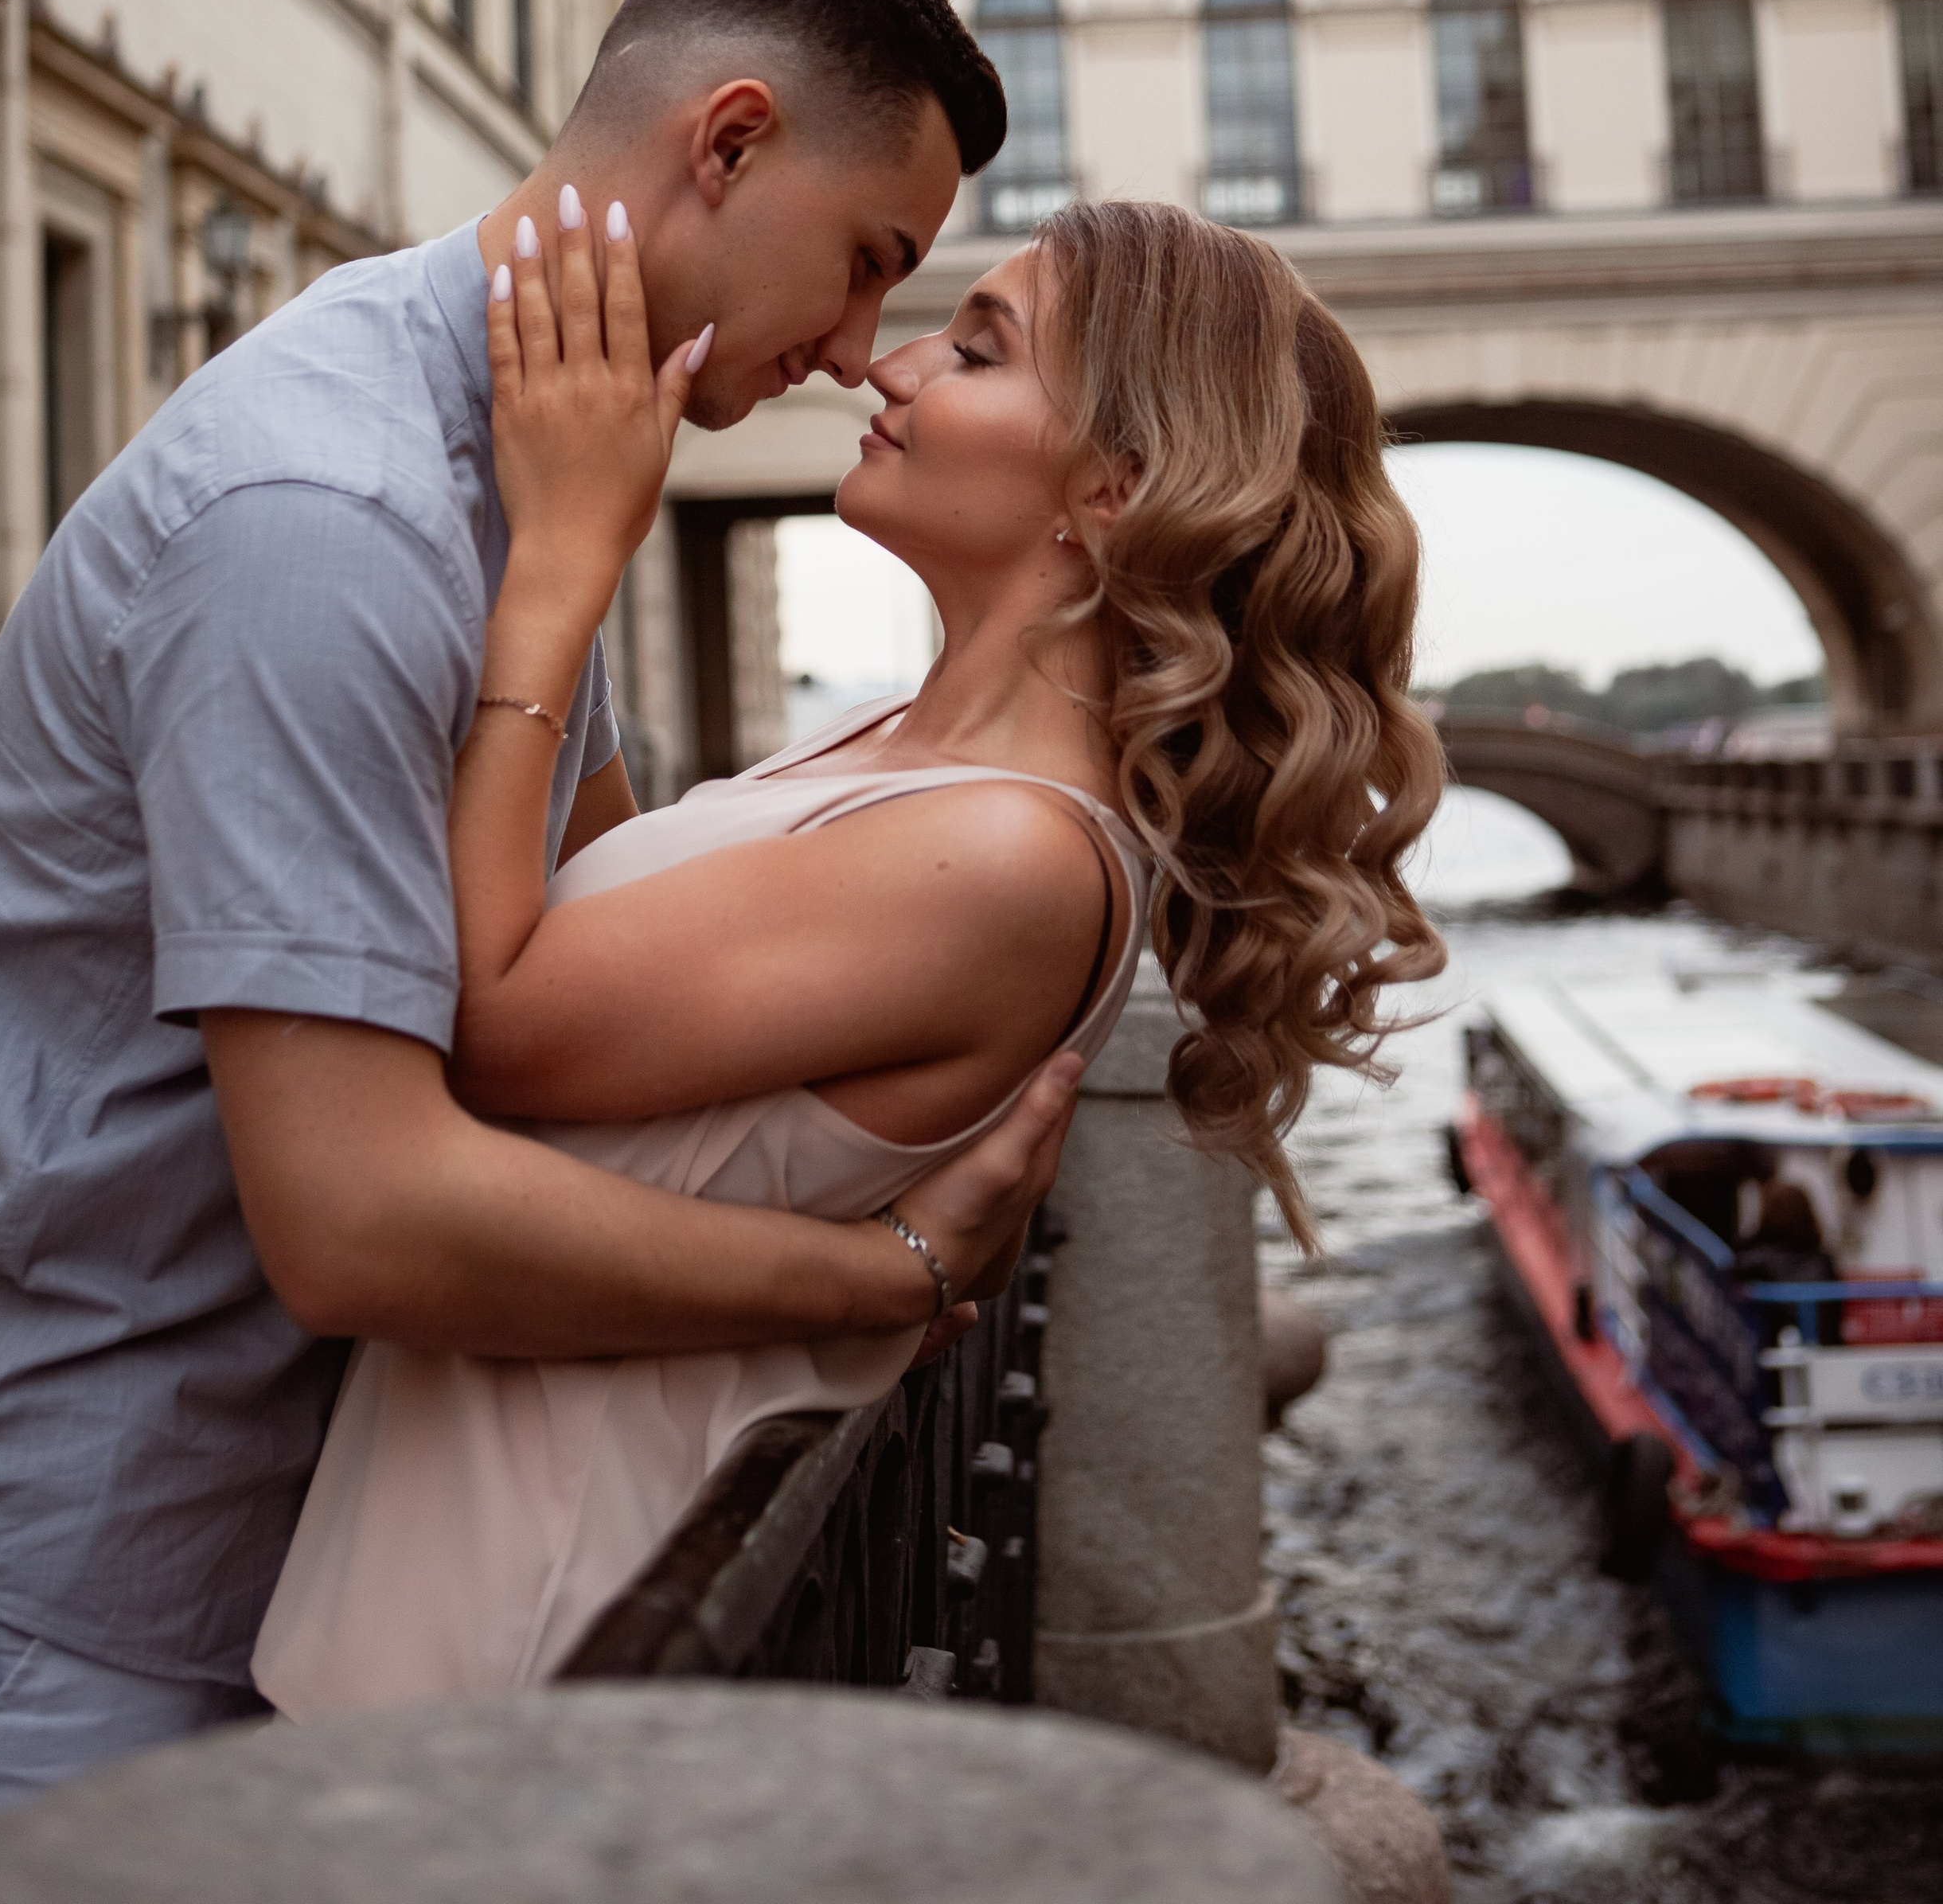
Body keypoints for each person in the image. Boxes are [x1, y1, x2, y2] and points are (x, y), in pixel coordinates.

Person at [0, 0, 1083, 1860]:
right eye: (872, 261)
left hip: (246, 1552)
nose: (859, 352)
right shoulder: (332, 522)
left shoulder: (544, 465)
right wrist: (877, 1278)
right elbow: (361, 1218)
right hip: (76, 1600)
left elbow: (584, 947)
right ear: (725, 143)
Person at [254, 192, 1448, 1711]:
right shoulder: (903, 760)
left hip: (541, 1619)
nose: (892, 368)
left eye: (980, 347)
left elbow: (490, 1015)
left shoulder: (1003, 853)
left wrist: (569, 554)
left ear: (1116, 487)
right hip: (485, 1559)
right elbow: (584, 883)